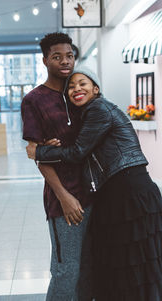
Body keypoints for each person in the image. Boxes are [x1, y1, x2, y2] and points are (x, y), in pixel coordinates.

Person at [26, 66, 162, 301]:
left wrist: (39, 151)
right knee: (131, 262)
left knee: (135, 261)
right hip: (122, 191)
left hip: (129, 191)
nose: (76, 88)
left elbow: (78, 151)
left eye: (82, 83)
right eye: (71, 86)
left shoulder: (99, 108)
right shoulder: (88, 113)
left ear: (96, 88)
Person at [21, 33, 93, 301]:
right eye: (57, 56)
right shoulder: (34, 100)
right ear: (45, 60)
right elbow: (39, 156)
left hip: (94, 193)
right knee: (66, 270)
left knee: (88, 268)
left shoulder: (80, 94)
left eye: (70, 55)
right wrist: (64, 197)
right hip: (64, 199)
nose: (65, 61)